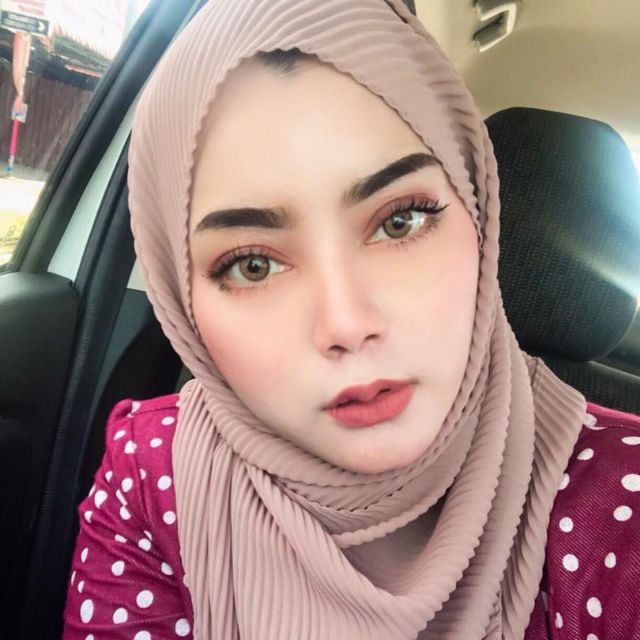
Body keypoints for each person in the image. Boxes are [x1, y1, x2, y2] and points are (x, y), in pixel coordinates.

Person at [63, 0, 640, 638]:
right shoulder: (154, 473)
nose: (346, 323)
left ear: (478, 214)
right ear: (181, 300)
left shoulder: (623, 497)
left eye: (401, 221)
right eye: (252, 265)